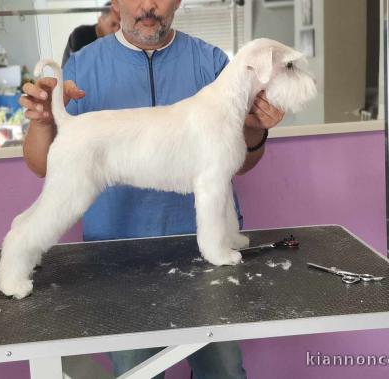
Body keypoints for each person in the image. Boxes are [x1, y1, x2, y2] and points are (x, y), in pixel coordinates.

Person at [20, 0, 285, 376]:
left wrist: (257, 125)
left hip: (206, 258)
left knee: (224, 371)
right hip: (116, 258)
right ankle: (17, 257)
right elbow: (41, 165)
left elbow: (237, 165)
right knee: (135, 371)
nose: (147, 5)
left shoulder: (213, 62)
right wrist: (45, 120)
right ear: (114, 2)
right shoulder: (81, 64)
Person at [61, 1, 120, 67]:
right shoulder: (80, 35)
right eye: (113, 24)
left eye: (120, 26)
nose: (117, 30)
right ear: (100, 20)